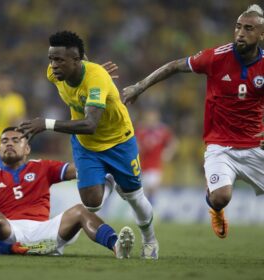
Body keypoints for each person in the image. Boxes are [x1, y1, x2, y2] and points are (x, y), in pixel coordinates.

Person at [122, 4, 264, 239]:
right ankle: (215, 210)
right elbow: (174, 66)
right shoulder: (216, 57)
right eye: (238, 27)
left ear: (261, 34)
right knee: (221, 197)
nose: (240, 33)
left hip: (255, 146)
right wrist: (140, 86)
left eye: (249, 29)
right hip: (221, 147)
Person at [17, 31, 159, 259]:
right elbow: (83, 79)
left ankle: (150, 240)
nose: (53, 65)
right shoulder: (56, 74)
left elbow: (90, 123)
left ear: (76, 60)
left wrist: (46, 124)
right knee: (91, 204)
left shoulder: (96, 79)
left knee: (134, 198)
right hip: (86, 146)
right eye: (51, 59)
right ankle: (108, 183)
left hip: (119, 142)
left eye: (59, 60)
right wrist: (92, 72)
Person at [0, 127, 135, 258]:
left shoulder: (42, 167)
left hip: (45, 230)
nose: (9, 144)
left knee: (81, 211)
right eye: (4, 141)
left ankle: (117, 245)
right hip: (9, 231)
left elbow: (79, 169)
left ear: (27, 149)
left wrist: (104, 164)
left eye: (16, 141)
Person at [135, 109, 177, 203]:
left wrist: (168, 152)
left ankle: (151, 207)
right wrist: (137, 148)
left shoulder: (163, 131)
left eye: (153, 119)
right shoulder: (140, 130)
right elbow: (133, 143)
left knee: (152, 187)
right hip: (141, 165)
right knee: (143, 191)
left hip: (155, 165)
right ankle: (147, 209)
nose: (151, 121)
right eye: (149, 119)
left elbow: (173, 142)